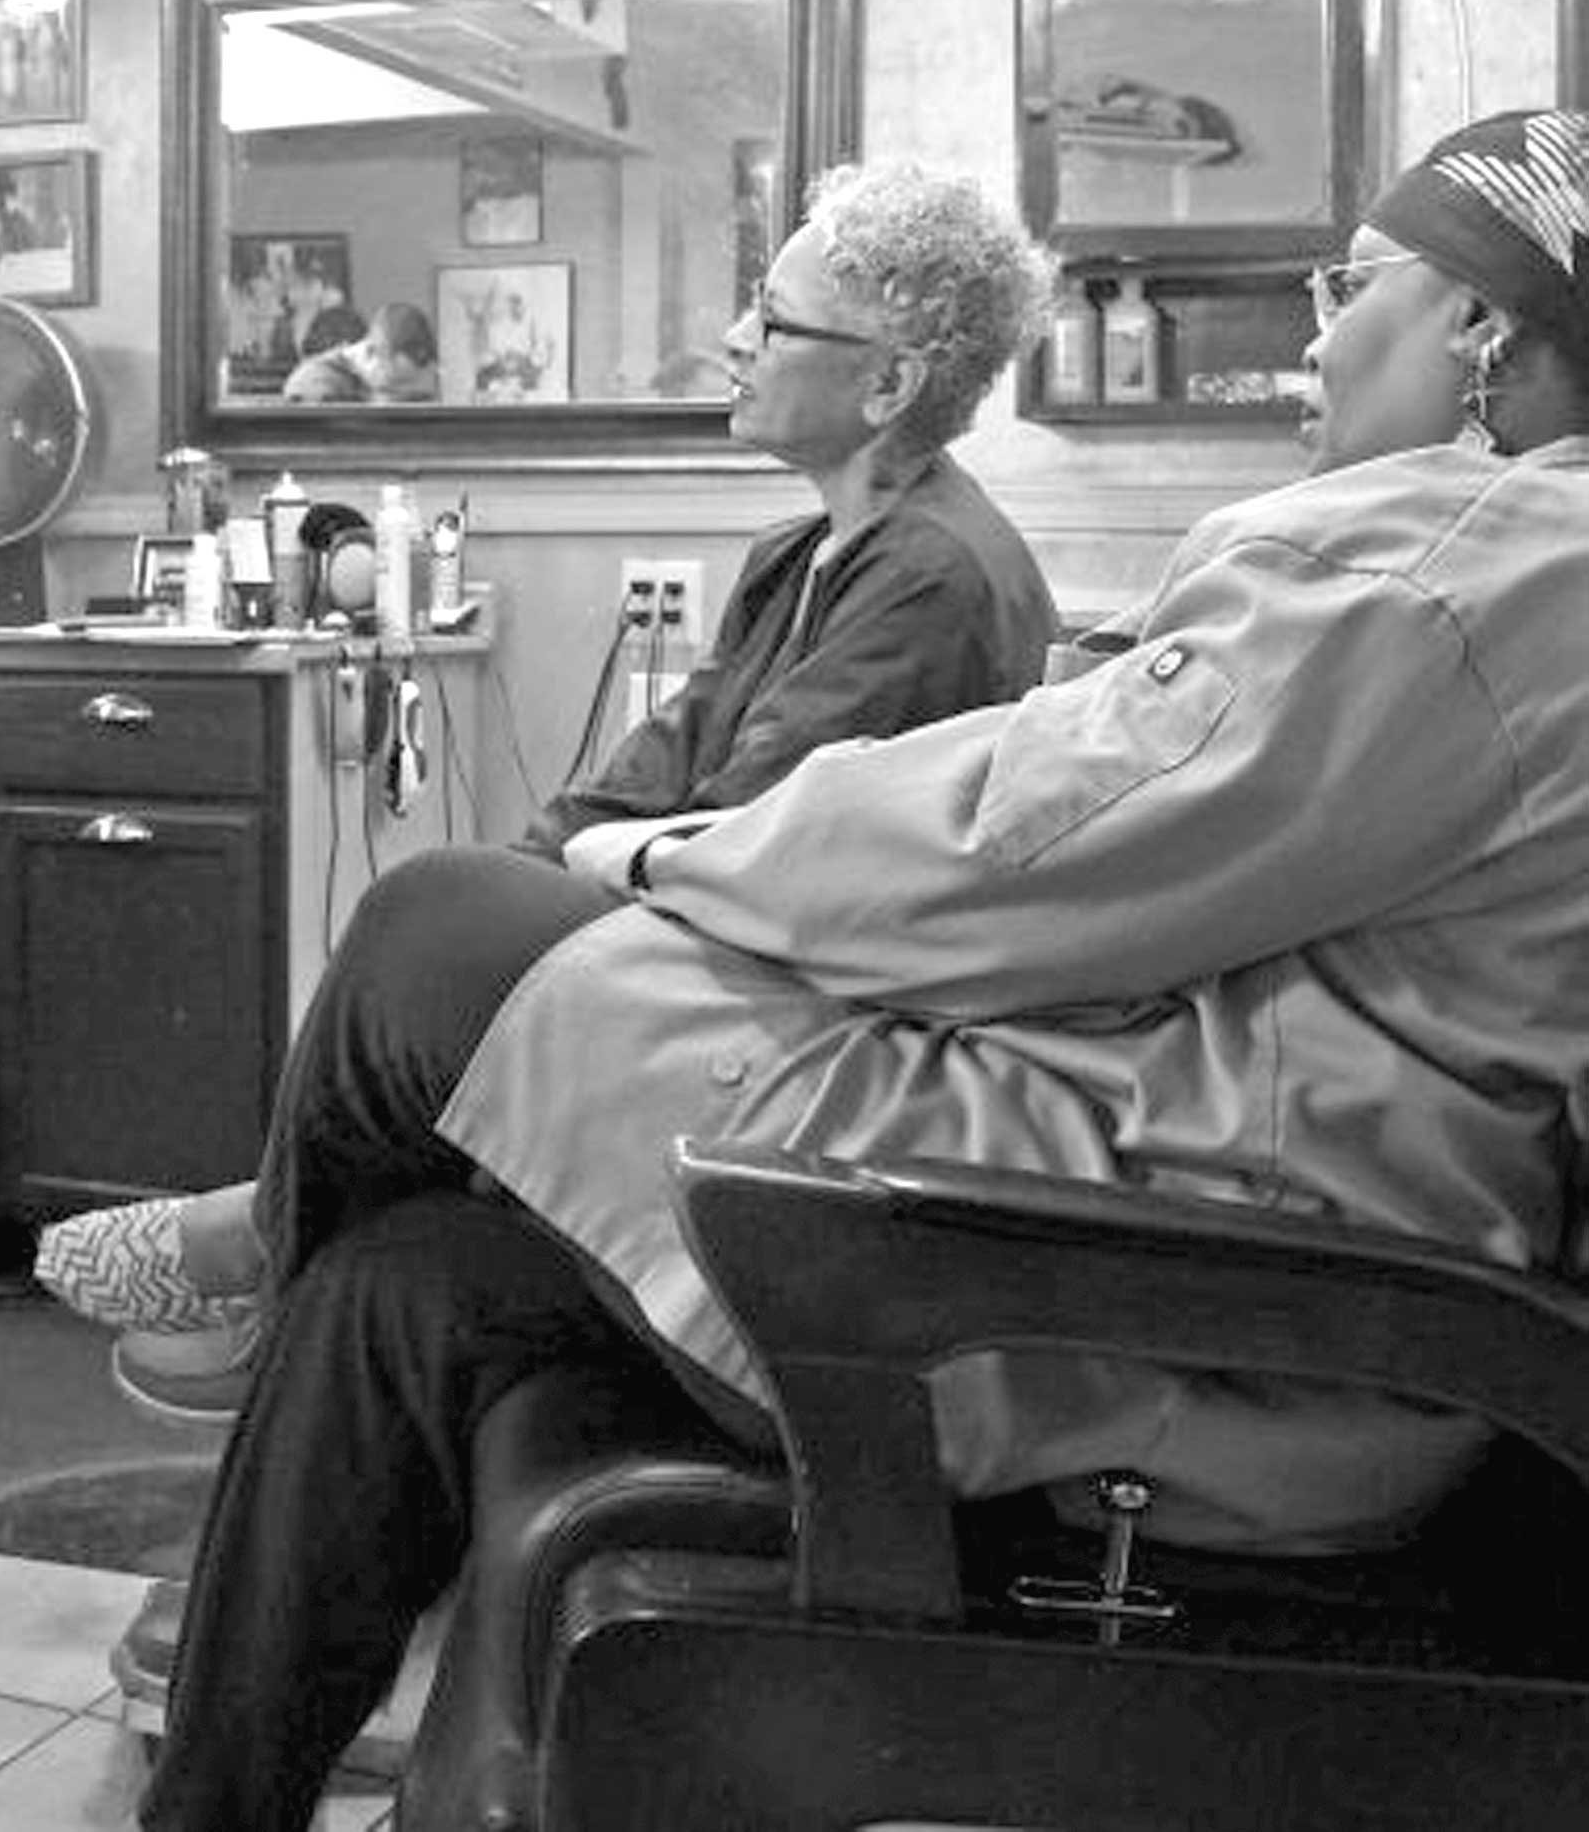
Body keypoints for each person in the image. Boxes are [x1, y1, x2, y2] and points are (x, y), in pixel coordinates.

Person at [139, 106, 1589, 1830]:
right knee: (397, 1283)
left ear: (1477, 322)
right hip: (1156, 1191)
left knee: (429, 933)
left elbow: (1014, 848)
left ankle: (256, 1241)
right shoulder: (1459, 563)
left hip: (1197, 1294)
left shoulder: (1467, 574)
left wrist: (647, 863)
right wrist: (621, 852)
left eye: (1347, 286)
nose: (1313, 334)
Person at [42, 161, 1062, 1407]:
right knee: (440, 921)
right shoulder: (799, 550)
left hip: (791, 1014)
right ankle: (284, 1271)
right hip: (701, 944)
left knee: (422, 925)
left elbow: (752, 839)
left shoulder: (934, 578)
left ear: (887, 383)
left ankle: (262, 1245)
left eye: (773, 320)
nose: (734, 338)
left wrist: (508, 931)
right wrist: (517, 887)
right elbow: (656, 768)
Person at [282, 300, 442, 405]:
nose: (397, 395)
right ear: (371, 353)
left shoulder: (362, 384)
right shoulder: (313, 383)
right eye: (393, 384)